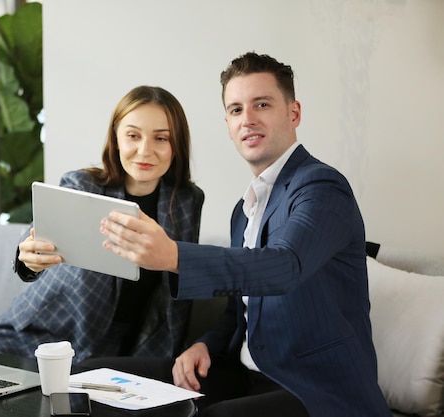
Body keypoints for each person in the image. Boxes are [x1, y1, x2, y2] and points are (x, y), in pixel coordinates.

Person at [92, 53, 391, 417]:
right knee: (97, 379)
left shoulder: (321, 186)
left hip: (319, 391)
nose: (247, 119)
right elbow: (239, 313)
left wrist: (174, 256)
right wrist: (204, 345)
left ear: (293, 113)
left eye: (261, 104)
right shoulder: (244, 210)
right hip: (247, 375)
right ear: (228, 124)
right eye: (235, 110)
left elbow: (284, 265)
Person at [0, 85, 205, 363]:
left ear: (176, 145)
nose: (145, 150)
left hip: (135, 348)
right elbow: (34, 243)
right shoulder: (82, 186)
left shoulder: (187, 201)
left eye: (161, 138)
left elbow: (182, 285)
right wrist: (29, 258)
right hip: (48, 336)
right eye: (133, 135)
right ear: (117, 139)